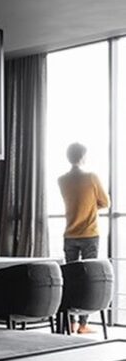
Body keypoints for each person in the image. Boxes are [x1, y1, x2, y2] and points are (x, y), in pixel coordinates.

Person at [58, 142, 110, 332]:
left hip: (69, 234)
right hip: (89, 234)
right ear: (82, 157)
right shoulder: (92, 177)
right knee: (89, 279)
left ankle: (69, 322)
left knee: (71, 278)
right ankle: (83, 324)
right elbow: (105, 202)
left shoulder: (61, 180)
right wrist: (91, 206)